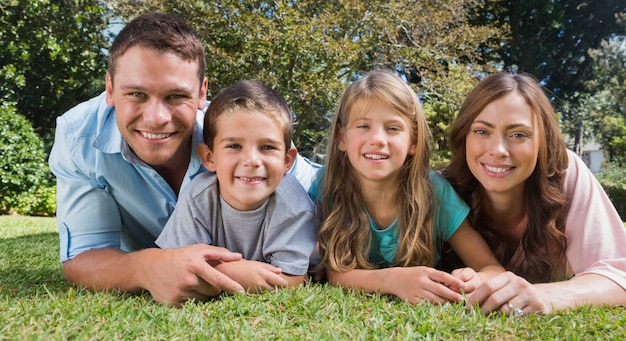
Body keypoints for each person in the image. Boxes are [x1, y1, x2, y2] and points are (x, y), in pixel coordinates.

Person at [48, 13, 319, 306]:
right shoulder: (79, 137)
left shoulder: (237, 130)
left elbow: (322, 183)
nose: (156, 119)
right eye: (136, 94)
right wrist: (147, 267)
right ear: (110, 89)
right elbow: (85, 256)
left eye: (176, 96)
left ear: (202, 93)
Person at [310, 70, 505, 304]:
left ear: (413, 141)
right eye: (363, 126)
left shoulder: (435, 193)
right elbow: (335, 273)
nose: (378, 139)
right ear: (341, 137)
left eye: (393, 128)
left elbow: (492, 268)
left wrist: (474, 278)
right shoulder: (329, 184)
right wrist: (395, 281)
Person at [440, 72, 626, 316]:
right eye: (482, 131)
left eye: (519, 134)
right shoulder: (442, 190)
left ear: (543, 141)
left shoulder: (565, 175)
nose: (498, 150)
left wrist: (546, 295)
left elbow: (619, 274)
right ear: (464, 135)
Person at [155, 80, 317, 293]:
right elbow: (177, 266)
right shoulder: (198, 196)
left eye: (267, 147)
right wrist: (237, 271)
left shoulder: (293, 205)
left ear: (287, 161)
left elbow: (292, 280)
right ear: (209, 157)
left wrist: (214, 271)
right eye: (234, 146)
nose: (251, 160)